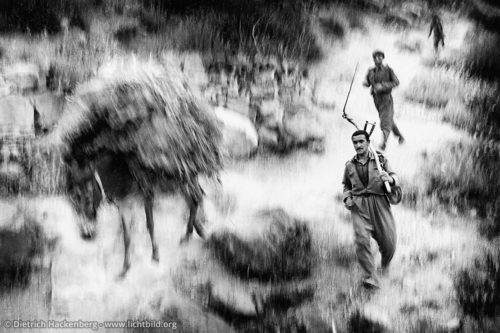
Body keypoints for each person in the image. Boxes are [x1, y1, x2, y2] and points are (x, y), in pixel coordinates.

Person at [342, 130, 399, 289]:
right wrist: (347, 198)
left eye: (361, 141)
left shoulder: (381, 161)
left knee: (389, 241)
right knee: (361, 240)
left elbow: (395, 176)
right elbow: (346, 186)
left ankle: (385, 264)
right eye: (355, 142)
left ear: (368, 143)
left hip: (379, 203)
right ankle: (370, 277)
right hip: (359, 206)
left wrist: (390, 179)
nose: (358, 145)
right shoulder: (349, 165)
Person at [363, 50, 404, 151]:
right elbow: (367, 82)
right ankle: (400, 137)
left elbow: (396, 82)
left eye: (380, 57)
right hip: (376, 100)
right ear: (373, 59)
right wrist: (365, 83)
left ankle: (384, 143)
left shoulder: (388, 70)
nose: (378, 59)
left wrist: (383, 86)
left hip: (386, 98)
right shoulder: (371, 71)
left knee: (385, 120)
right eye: (376, 57)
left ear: (383, 58)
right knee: (388, 119)